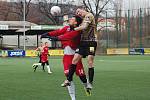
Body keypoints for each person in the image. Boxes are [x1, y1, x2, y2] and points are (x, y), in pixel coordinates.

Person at [41, 16, 91, 99]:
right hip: (67, 57)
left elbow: (69, 36)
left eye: (72, 19)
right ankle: (73, 98)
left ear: (76, 23)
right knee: (69, 78)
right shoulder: (67, 28)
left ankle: (86, 86)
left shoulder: (78, 30)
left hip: (76, 56)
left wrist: (57, 38)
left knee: (82, 76)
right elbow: (59, 31)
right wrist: (48, 34)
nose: (70, 20)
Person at [62, 8, 97, 91]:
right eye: (77, 13)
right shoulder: (81, 20)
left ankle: (90, 83)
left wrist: (73, 29)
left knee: (90, 61)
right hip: (83, 43)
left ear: (83, 9)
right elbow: (76, 24)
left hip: (91, 43)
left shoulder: (89, 15)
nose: (78, 13)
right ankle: (69, 80)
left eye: (79, 11)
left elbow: (84, 26)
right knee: (74, 60)